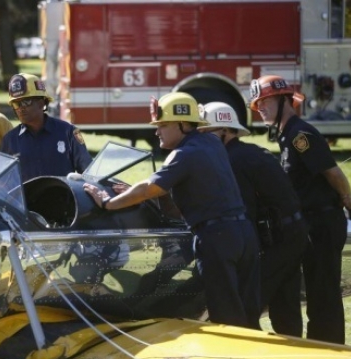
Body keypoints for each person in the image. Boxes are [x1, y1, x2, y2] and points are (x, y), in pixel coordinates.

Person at [83, 92, 261, 329]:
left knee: (226, 315)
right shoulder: (211, 143)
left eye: (163, 125)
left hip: (216, 238)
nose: (156, 131)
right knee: (248, 314)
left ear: (184, 124)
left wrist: (109, 202)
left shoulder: (183, 154)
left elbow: (148, 188)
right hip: (244, 233)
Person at [250, 75, 351, 344]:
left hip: (323, 223)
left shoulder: (299, 135)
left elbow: (334, 174)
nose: (260, 107)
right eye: (257, 103)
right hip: (309, 224)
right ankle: (318, 345)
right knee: (316, 291)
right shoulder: (286, 136)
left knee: (323, 293)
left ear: (285, 100)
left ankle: (330, 349)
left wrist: (348, 202)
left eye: (265, 101)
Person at [197, 101, 309, 337]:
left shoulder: (233, 161)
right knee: (285, 306)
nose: (202, 138)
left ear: (225, 132)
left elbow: (243, 210)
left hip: (280, 239)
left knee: (248, 304)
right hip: (293, 234)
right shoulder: (247, 153)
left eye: (207, 132)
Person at [0, 73, 92, 182]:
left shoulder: (68, 133)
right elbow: (2, 184)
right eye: (16, 104)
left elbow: (89, 173)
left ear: (41, 103)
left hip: (63, 198)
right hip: (26, 199)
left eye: (25, 102)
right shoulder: (9, 141)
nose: (20, 108)